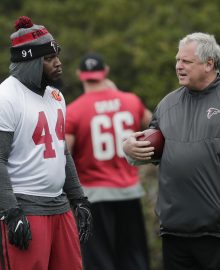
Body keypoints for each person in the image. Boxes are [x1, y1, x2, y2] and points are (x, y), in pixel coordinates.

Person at [123, 32, 220, 270]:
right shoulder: (168, 104)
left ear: (209, 63)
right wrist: (128, 149)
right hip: (175, 229)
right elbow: (149, 150)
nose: (178, 66)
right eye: (178, 60)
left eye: (186, 61)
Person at [0, 16, 92, 270]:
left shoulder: (55, 95)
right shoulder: (6, 97)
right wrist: (11, 211)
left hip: (60, 207)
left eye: (57, 55)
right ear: (30, 61)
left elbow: (62, 152)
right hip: (26, 209)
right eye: (49, 58)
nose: (58, 63)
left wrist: (79, 199)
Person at [65, 52, 152, 270]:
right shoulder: (131, 100)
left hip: (93, 194)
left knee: (99, 261)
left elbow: (64, 156)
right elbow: (155, 129)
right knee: (133, 258)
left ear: (80, 75)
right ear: (106, 72)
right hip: (129, 190)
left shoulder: (73, 111)